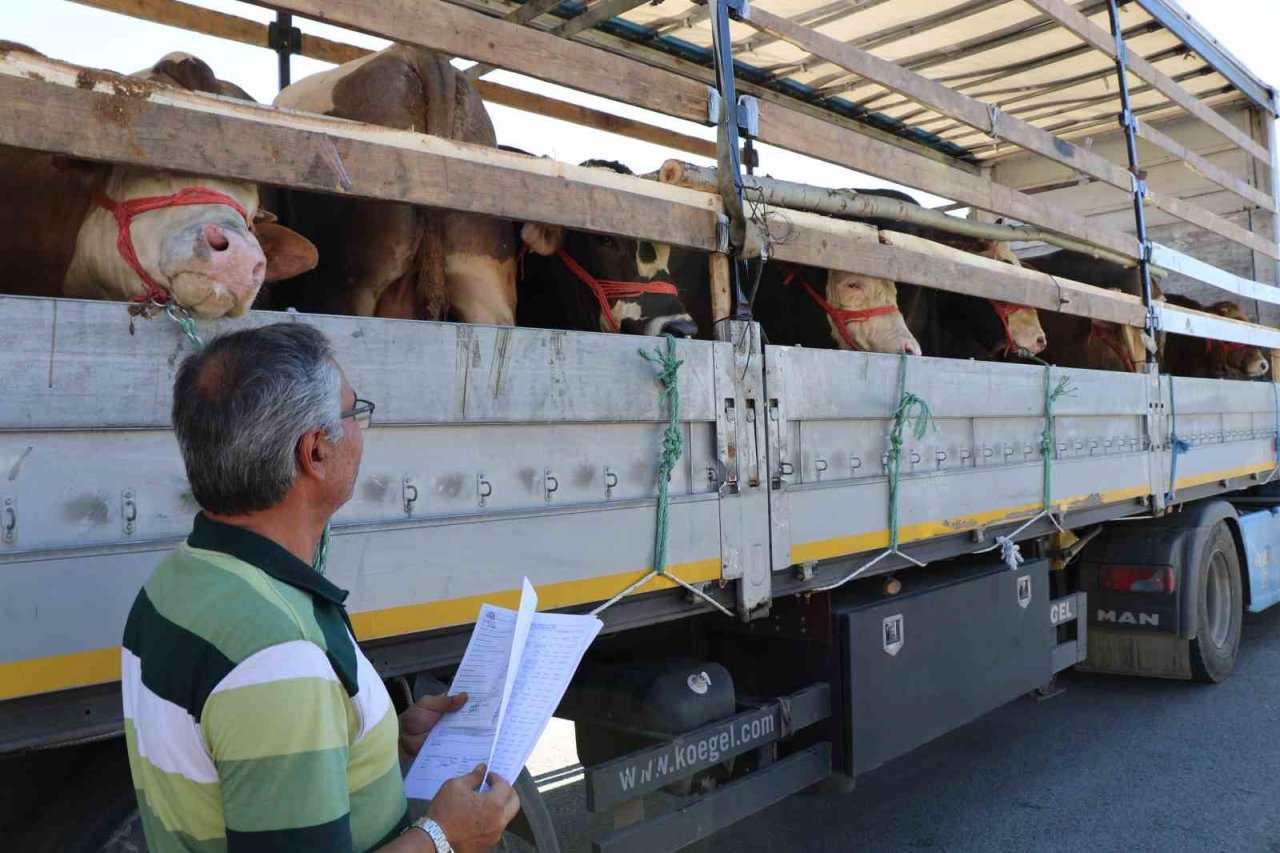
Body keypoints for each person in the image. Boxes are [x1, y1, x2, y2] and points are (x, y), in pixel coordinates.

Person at [121, 323, 519, 852]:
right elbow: (275, 699)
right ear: (314, 453)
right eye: (355, 413)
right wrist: (444, 837)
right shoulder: (280, 659)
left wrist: (370, 741)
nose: (360, 429)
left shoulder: (181, 579)